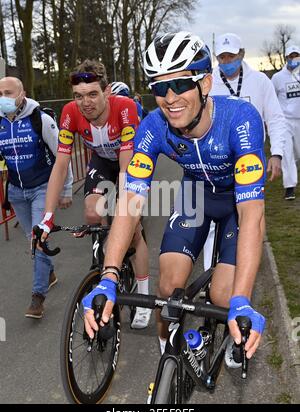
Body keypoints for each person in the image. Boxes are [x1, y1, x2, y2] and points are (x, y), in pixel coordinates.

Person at [82, 31, 266, 367]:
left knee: (225, 296)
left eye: (180, 84)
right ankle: (168, 356)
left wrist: (242, 299)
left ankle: (229, 321)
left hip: (235, 204)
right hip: (195, 195)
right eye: (158, 87)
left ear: (205, 84)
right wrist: (109, 274)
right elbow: (131, 199)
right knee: (167, 288)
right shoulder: (153, 127)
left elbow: (252, 213)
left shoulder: (240, 119)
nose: (169, 97)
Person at [37, 60, 151, 329]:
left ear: (107, 91)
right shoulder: (69, 113)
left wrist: (126, 216)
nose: (85, 103)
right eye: (78, 96)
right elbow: (61, 166)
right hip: (101, 161)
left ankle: (144, 295)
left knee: (133, 230)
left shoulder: (125, 109)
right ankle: (102, 259)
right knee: (91, 211)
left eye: (92, 94)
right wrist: (48, 216)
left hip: (130, 162)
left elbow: (125, 167)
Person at [202, 32, 287, 269]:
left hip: (249, 161)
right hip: (216, 161)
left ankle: (244, 272)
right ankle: (211, 278)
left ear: (242, 54)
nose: (227, 61)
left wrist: (277, 154)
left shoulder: (260, 82)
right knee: (209, 224)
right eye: (222, 57)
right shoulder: (209, 84)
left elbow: (276, 119)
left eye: (231, 56)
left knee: (248, 218)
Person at [0, 76, 73, 318]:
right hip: (16, 192)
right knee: (34, 238)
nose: (3, 97)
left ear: (22, 94)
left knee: (38, 237)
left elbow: (62, 155)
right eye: (0, 93)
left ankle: (38, 296)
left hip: (43, 188)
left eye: (8, 92)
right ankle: (49, 273)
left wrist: (66, 188)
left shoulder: (40, 119)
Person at [271, 45, 300, 200]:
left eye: (296, 56)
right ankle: (290, 187)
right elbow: (271, 97)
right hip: (285, 121)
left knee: (296, 153)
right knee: (287, 153)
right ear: (286, 57)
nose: (294, 59)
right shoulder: (277, 78)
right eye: (291, 56)